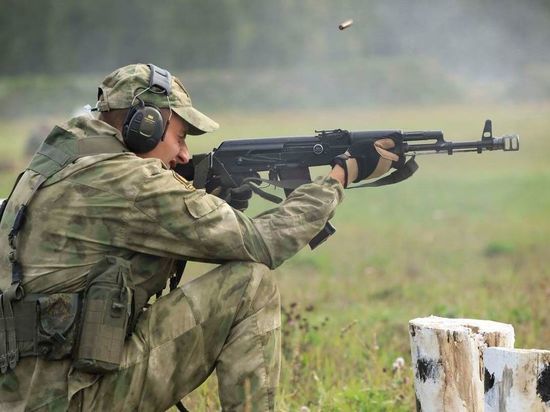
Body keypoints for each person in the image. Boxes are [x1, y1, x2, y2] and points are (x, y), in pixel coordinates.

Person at [0, 64, 401, 411]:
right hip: (72, 399)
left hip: (24, 394)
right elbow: (263, 242)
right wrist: (339, 177)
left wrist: (203, 198)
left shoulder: (51, 167)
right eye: (180, 136)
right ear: (145, 126)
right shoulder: (127, 181)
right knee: (249, 285)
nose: (185, 155)